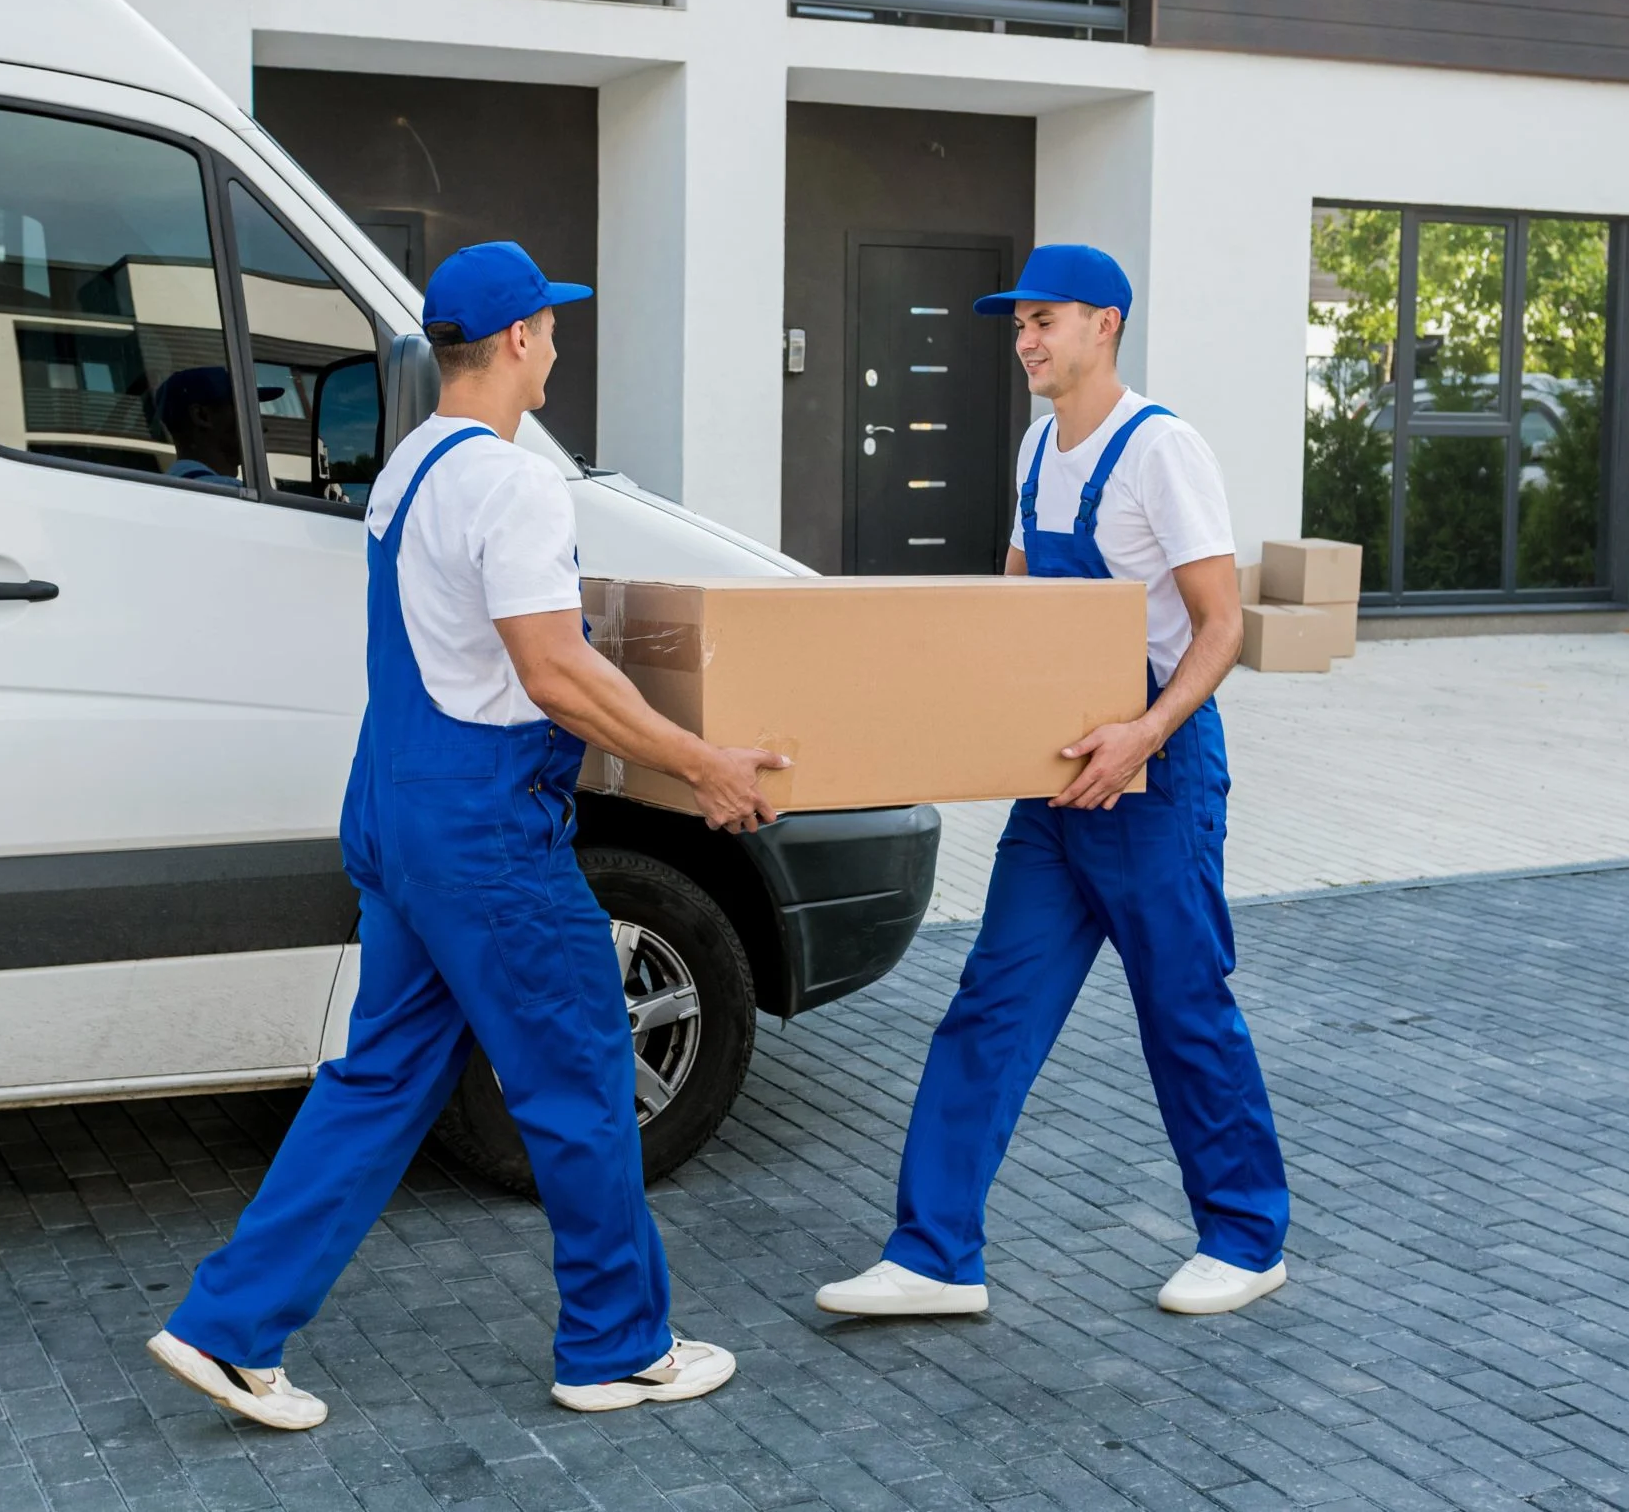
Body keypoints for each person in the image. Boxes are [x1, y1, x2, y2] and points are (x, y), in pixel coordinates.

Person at [148, 241, 787, 1429]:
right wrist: (701, 764)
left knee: (381, 1073)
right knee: (584, 1070)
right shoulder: (513, 482)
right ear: (516, 342)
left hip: (395, 804)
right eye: (550, 324)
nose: (557, 342)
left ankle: (226, 1325)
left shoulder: (409, 468)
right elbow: (552, 671)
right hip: (483, 828)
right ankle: (614, 1344)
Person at [816, 244, 1292, 1322]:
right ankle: (934, 1252)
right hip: (1058, 792)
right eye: (1018, 323)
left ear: (1105, 323)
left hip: (1156, 778)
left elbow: (1223, 626)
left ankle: (1246, 1232)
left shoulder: (1158, 449)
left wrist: (1143, 732)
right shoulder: (1038, 450)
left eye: (1044, 319)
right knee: (988, 1006)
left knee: (1182, 1007)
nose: (1024, 340)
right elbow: (1022, 609)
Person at [152, 363, 281, 486]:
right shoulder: (233, 495)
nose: (263, 427)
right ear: (202, 416)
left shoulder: (163, 490)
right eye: (245, 409)